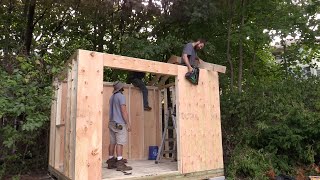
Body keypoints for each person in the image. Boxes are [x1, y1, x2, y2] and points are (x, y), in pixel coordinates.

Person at [106, 81, 132, 171]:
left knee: (112, 142)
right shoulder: (121, 96)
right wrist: (128, 123)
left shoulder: (112, 97)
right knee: (120, 143)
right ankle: (120, 163)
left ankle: (111, 161)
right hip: (119, 123)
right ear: (121, 88)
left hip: (111, 123)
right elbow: (123, 111)